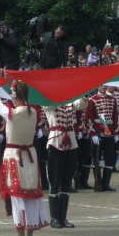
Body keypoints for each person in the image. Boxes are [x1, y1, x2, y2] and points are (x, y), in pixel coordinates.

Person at [0, 69, 49, 236]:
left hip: (15, 157)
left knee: (17, 197)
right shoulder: (33, 111)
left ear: (14, 95)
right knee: (31, 195)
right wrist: (11, 84)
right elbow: (18, 102)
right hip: (30, 157)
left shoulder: (12, 113)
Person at [43, 96, 88, 228]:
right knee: (55, 180)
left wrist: (85, 92)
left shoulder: (70, 101)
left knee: (67, 180)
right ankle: (54, 217)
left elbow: (81, 104)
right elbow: (48, 104)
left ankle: (63, 217)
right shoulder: (49, 101)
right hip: (56, 141)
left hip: (70, 142)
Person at [84, 85, 119, 192]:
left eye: (105, 85)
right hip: (98, 132)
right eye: (101, 86)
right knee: (96, 159)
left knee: (110, 159)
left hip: (110, 133)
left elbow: (115, 117)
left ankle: (106, 184)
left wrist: (116, 133)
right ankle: (98, 184)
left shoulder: (112, 100)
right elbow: (88, 118)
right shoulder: (92, 100)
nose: (103, 87)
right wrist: (93, 134)